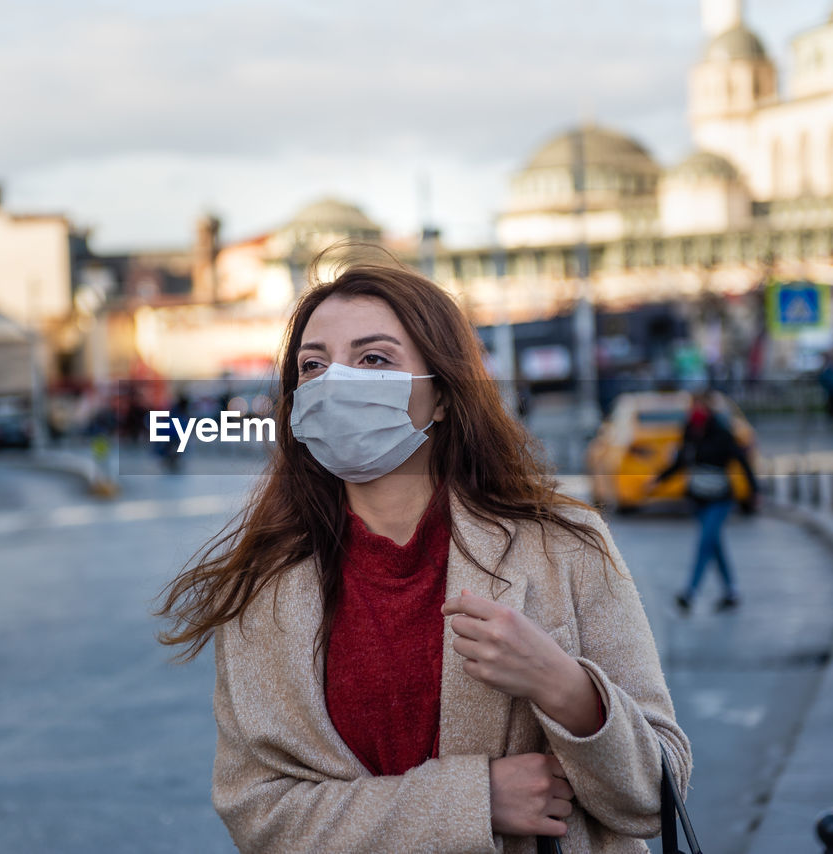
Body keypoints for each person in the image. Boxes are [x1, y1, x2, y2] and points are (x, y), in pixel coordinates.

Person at [156, 261, 690, 853]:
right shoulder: (264, 586)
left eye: (374, 359)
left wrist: (563, 687)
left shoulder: (565, 543)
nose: (336, 382)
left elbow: (653, 797)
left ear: (441, 394)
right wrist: (474, 801)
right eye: (313, 365)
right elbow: (257, 814)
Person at [648, 391, 757, 612]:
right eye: (693, 406)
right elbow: (681, 462)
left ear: (708, 409)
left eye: (700, 406)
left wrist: (754, 490)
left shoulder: (722, 432)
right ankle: (731, 591)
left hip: (720, 499)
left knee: (705, 543)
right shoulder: (689, 430)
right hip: (699, 500)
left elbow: (742, 461)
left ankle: (690, 592)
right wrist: (658, 480)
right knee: (715, 545)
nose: (695, 411)